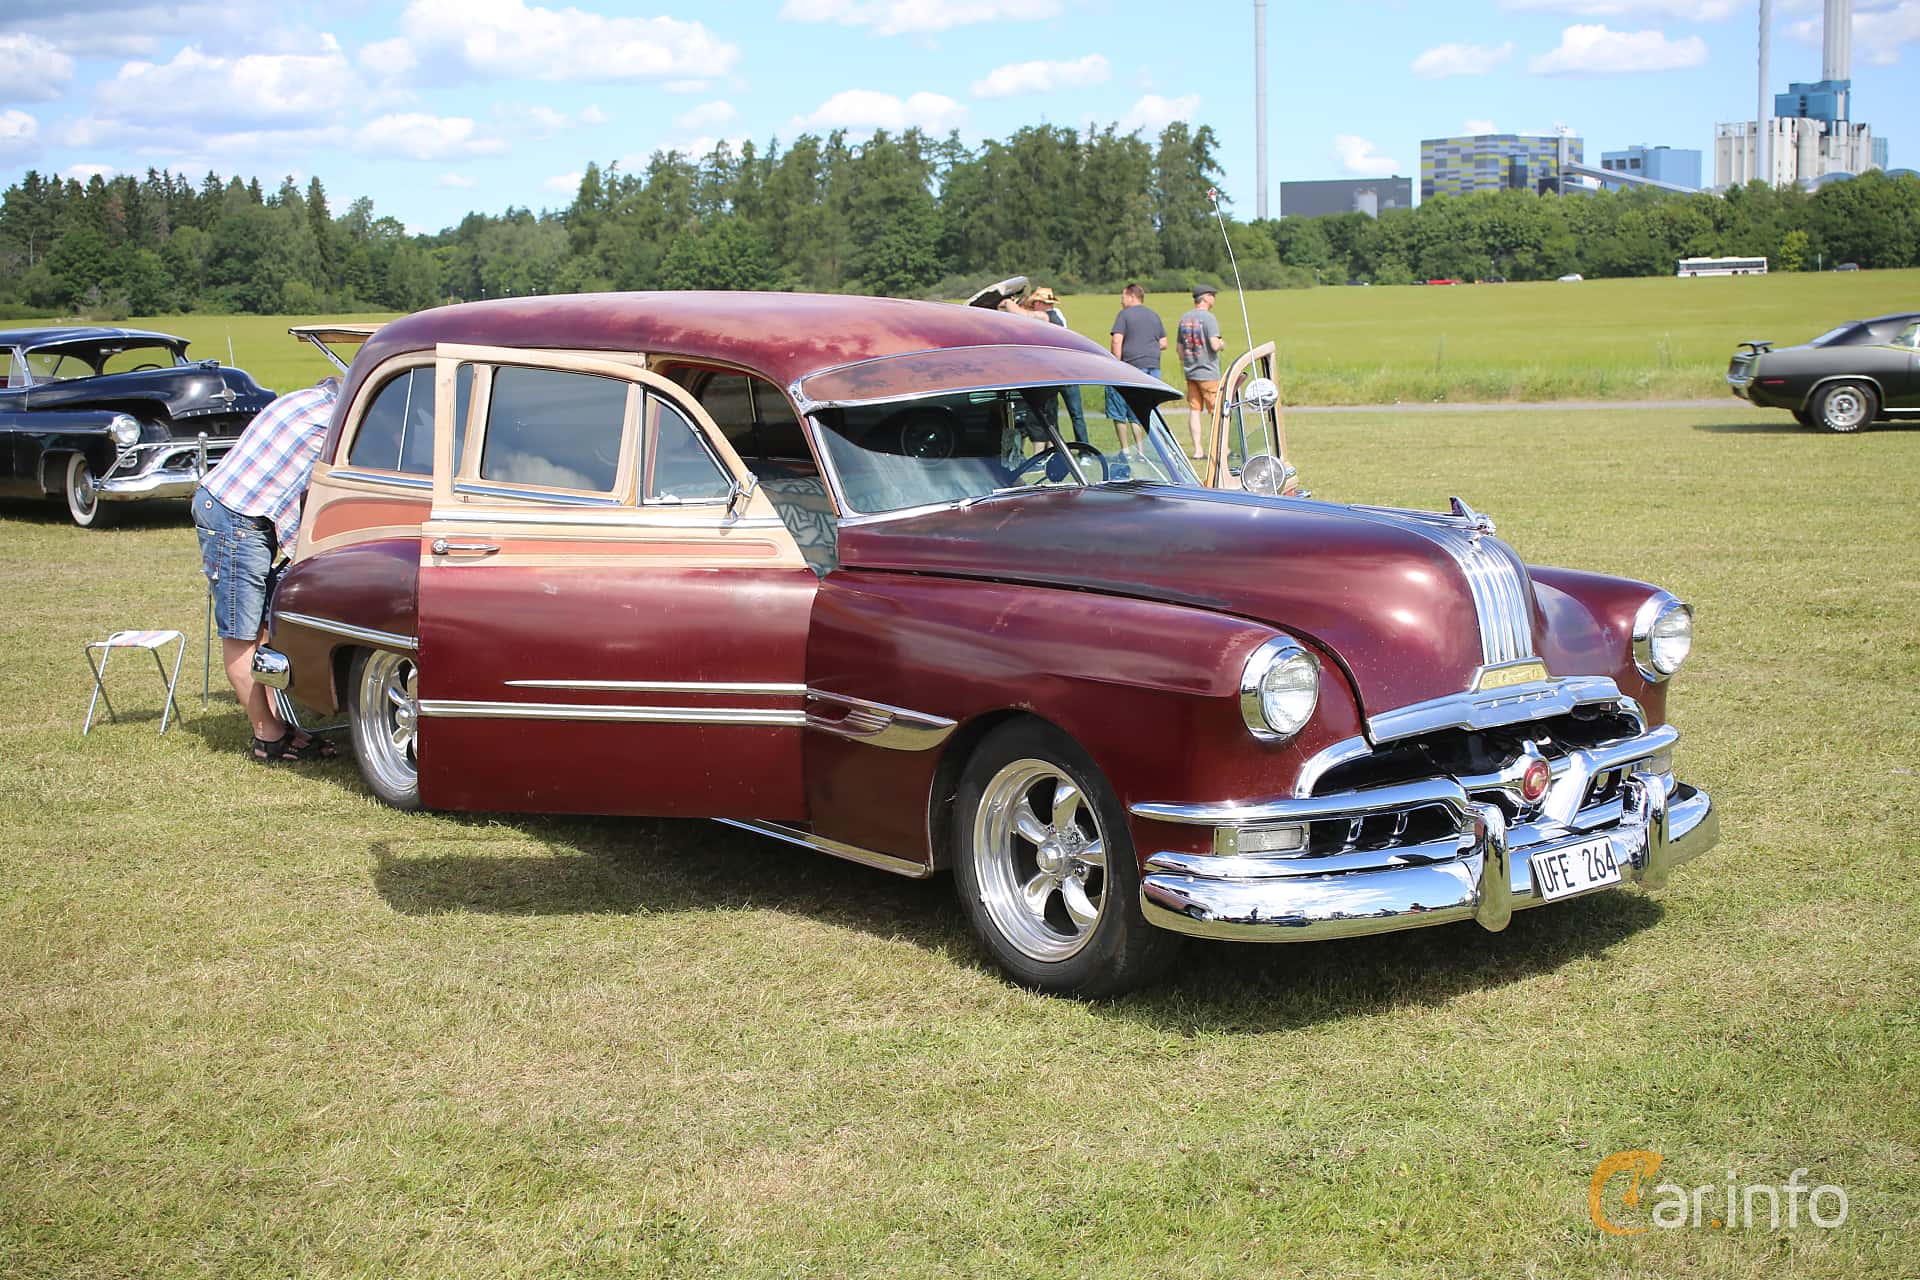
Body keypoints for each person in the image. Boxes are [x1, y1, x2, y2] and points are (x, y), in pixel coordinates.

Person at [192, 378, 341, 763]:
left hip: (240, 509)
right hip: (236, 514)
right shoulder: (331, 424)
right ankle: (268, 735)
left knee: (259, 627)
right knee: (242, 632)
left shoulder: (310, 399)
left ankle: (279, 724)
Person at [1023, 286, 1089, 445]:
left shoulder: (1047, 317)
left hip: (1059, 373)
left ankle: (1062, 448)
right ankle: (1080, 448)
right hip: (1067, 371)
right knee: (1069, 414)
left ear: (1039, 303)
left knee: (1053, 413)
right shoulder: (1058, 314)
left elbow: (1028, 315)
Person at [1106, 283, 1165, 450]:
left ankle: (1126, 449)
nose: (1121, 301)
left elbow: (1117, 340)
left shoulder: (1124, 315)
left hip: (1131, 366)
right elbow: (1163, 342)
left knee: (1123, 407)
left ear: (1132, 296)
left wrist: (1115, 364)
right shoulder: (1154, 315)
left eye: (1123, 297)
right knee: (1144, 409)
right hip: (1153, 366)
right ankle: (1141, 448)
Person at [1177, 284, 1227, 460]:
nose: (1214, 299)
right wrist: (1222, 344)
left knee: (1194, 410)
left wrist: (1189, 362)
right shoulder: (1209, 318)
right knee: (1216, 410)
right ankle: (1221, 448)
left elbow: (1179, 349)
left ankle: (1198, 450)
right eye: (1212, 295)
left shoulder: (1184, 318)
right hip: (1208, 371)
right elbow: (1214, 344)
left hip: (1191, 371)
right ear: (1205, 298)